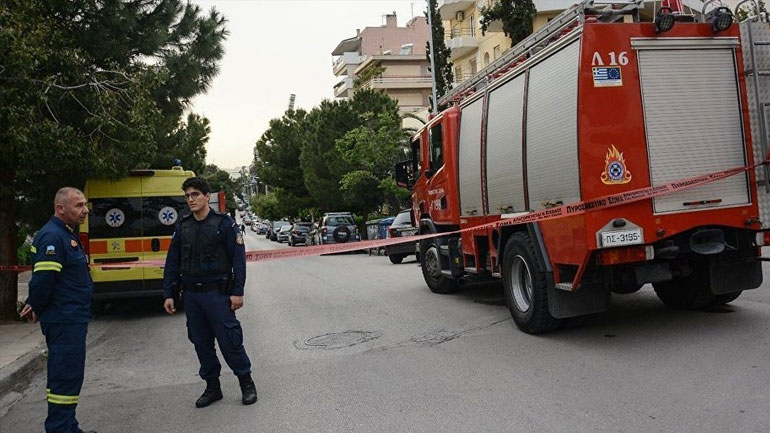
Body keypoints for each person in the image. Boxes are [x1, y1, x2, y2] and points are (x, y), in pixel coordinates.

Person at [162, 177, 257, 407]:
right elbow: (172, 262)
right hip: (192, 296)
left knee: (229, 341)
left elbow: (238, 260)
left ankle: (246, 383)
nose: (191, 199)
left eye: (195, 194)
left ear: (206, 196)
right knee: (201, 343)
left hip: (218, 294)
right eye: (187, 196)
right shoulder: (183, 226)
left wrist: (238, 292)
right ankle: (212, 388)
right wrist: (169, 293)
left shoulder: (224, 224)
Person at [19, 187, 96, 433]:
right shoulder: (53, 237)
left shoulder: (64, 234)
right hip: (64, 319)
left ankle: (68, 427)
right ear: (60, 208)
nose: (84, 210)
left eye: (85, 205)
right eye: (78, 206)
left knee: (68, 376)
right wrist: (35, 305)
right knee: (65, 376)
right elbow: (43, 279)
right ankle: (60, 429)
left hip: (71, 317)